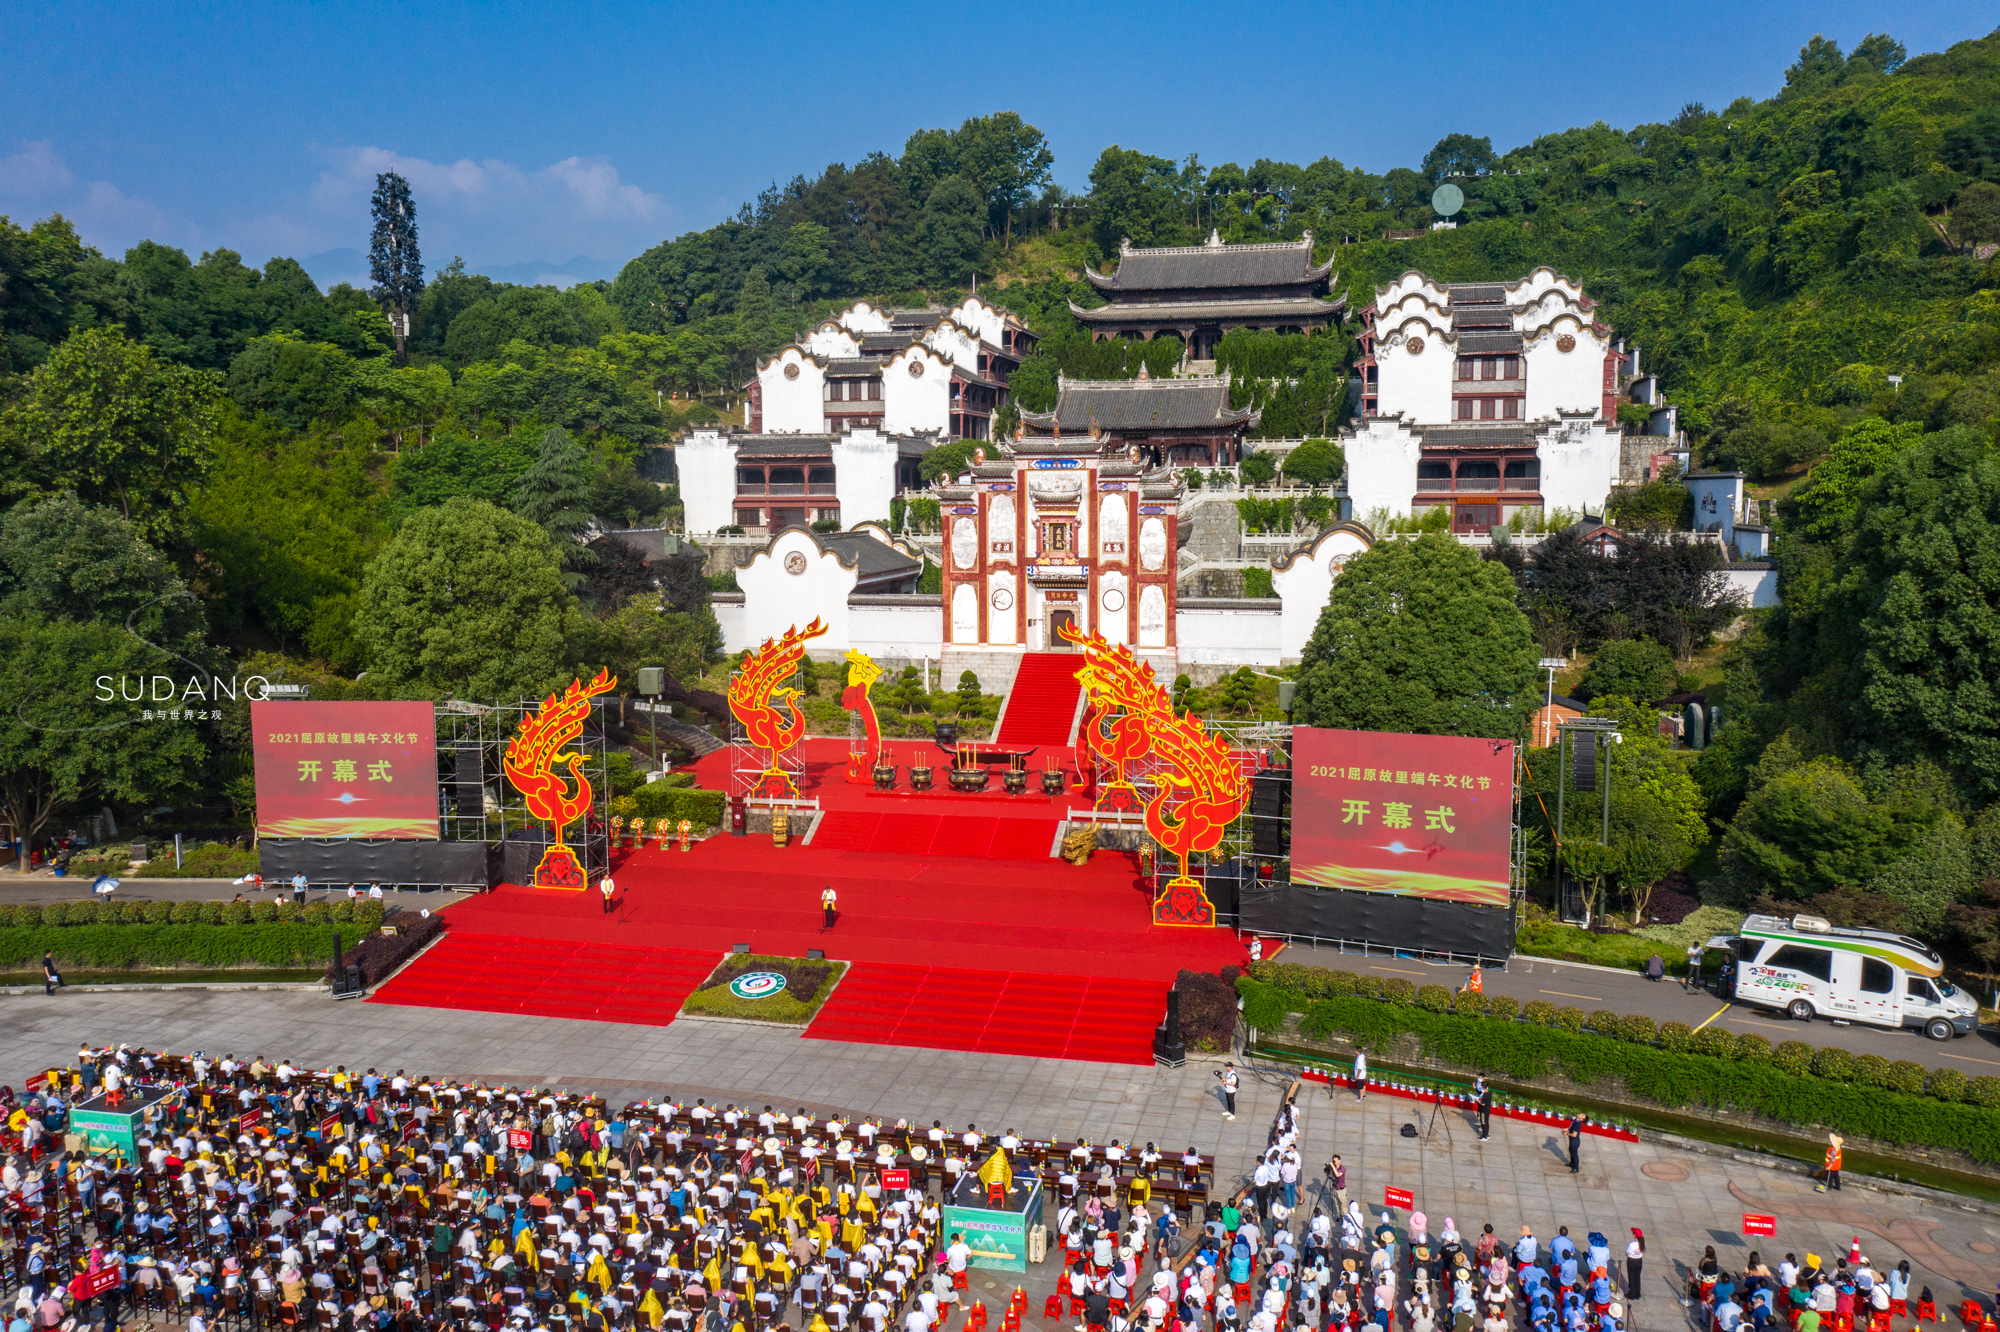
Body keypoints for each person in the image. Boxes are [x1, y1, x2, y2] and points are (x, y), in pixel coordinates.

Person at [1624, 1229, 1643, 1302]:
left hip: (1632, 1260)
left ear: (1634, 1235)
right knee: (1637, 1277)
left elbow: (1627, 1253)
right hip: (1639, 1260)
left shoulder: (1631, 1244)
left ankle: (1631, 1294)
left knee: (1631, 1277)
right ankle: (1637, 1293)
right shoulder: (1642, 1243)